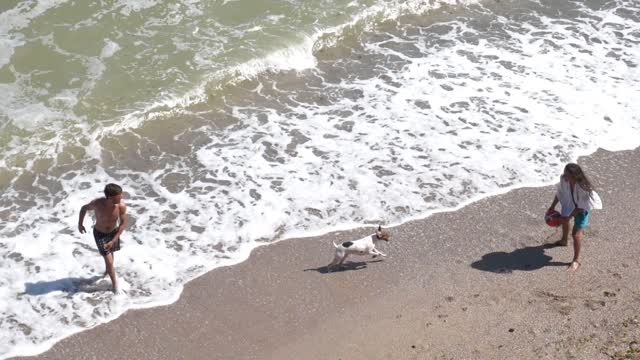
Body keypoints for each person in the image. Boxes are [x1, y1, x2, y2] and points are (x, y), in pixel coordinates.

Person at [547, 163, 602, 272]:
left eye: (567, 174)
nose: (564, 176)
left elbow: (581, 207)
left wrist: (569, 217)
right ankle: (563, 240)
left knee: (576, 234)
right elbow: (560, 193)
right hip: (570, 203)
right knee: (564, 218)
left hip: (582, 209)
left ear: (574, 176)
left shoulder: (584, 188)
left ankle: (576, 260)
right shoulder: (564, 179)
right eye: (564, 173)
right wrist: (552, 207)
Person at [78, 183, 127, 292]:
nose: (122, 197)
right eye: (119, 195)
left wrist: (113, 240)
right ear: (110, 197)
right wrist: (80, 224)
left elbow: (122, 224)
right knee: (109, 261)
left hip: (113, 233)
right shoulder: (98, 203)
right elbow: (83, 208)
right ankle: (115, 286)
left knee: (111, 255)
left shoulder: (121, 206)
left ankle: (107, 272)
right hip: (99, 234)